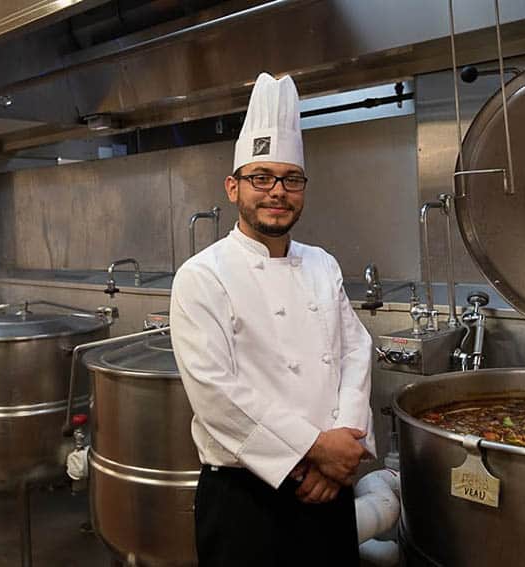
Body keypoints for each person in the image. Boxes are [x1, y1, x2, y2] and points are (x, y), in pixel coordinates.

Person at [170, 72, 375, 567]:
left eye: (290, 179)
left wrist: (343, 449)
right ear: (233, 187)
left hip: (330, 491)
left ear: (303, 189)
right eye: (261, 178)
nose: (276, 192)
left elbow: (355, 351)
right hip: (247, 500)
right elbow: (217, 396)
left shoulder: (323, 263)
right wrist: (314, 454)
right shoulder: (202, 275)